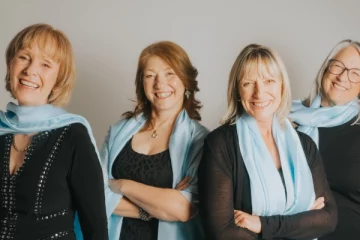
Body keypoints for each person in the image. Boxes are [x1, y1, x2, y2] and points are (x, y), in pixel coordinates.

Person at [198, 44, 337, 240]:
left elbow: (327, 218)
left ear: (282, 86)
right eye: (248, 83)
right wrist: (302, 221)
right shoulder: (220, 144)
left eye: (269, 81)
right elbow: (222, 232)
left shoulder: (304, 145)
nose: (259, 92)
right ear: (238, 90)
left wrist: (262, 224)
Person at [0, 23, 108, 240]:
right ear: (10, 64)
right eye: (24, 57)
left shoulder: (73, 134)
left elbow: (96, 230)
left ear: (59, 78)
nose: (30, 70)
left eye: (45, 64)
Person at [102, 41, 209, 240]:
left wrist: (121, 185)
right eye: (150, 75)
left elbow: (183, 208)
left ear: (185, 80)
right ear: (142, 83)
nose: (160, 84)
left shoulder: (200, 139)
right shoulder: (118, 132)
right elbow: (94, 194)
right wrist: (154, 208)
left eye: (169, 73)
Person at [290, 39, 360, 240]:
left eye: (355, 74)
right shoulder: (286, 119)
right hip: (287, 232)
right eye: (338, 66)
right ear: (325, 68)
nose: (342, 77)